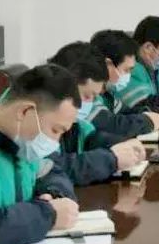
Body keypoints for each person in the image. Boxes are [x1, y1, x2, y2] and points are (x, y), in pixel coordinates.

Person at [0, 65, 80, 244]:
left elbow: (51, 171)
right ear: (24, 111)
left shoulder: (21, 143)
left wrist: (55, 195)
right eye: (55, 130)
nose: (56, 142)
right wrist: (47, 214)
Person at [47, 42, 146, 186]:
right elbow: (54, 169)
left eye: (94, 97)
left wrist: (122, 143)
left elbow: (90, 139)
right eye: (87, 96)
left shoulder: (75, 124)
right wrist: (111, 159)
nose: (90, 103)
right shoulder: (41, 123)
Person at [90, 30, 159, 130]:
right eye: (126, 70)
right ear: (108, 65)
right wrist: (148, 121)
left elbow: (128, 112)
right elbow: (113, 125)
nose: (128, 76)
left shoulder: (108, 96)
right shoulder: (88, 95)